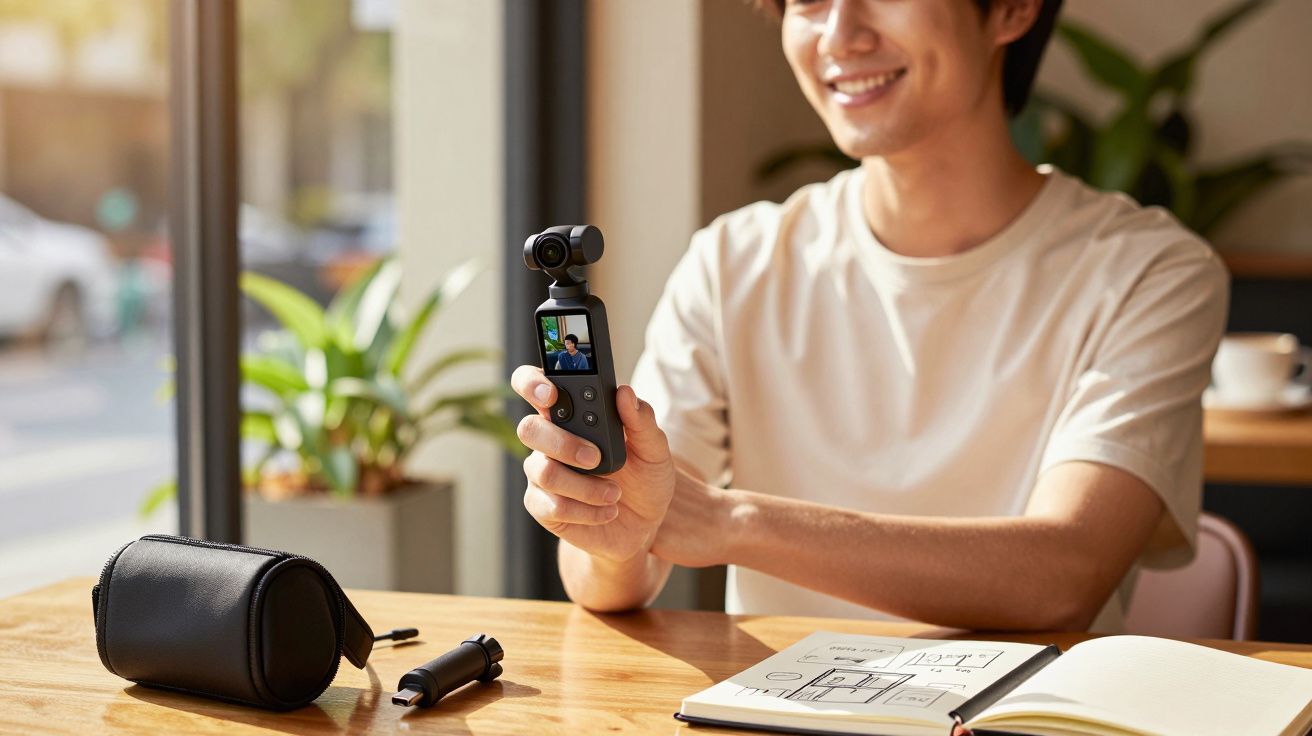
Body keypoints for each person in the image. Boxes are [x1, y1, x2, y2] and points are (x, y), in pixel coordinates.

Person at [511, 0, 1228, 632]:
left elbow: (1064, 575)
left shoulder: (1150, 273)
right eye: (808, 0)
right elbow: (612, 573)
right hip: (773, 718)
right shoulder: (735, 261)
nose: (840, 35)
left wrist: (733, 522)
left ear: (1013, 8)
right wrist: (609, 532)